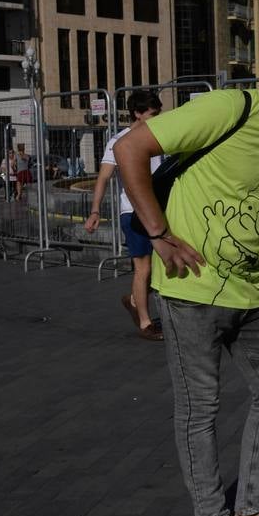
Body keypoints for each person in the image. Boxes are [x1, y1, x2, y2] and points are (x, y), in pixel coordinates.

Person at [114, 30, 259, 516]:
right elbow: (129, 149)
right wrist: (158, 232)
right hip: (190, 291)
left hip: (252, 291)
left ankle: (251, 510)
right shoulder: (229, 107)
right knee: (200, 409)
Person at [85, 90, 165, 340]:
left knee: (159, 268)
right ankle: (144, 322)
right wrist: (95, 210)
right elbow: (103, 178)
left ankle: (133, 300)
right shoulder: (119, 142)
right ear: (137, 114)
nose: (156, 118)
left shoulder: (160, 138)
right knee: (144, 268)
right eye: (152, 114)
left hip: (158, 211)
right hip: (133, 212)